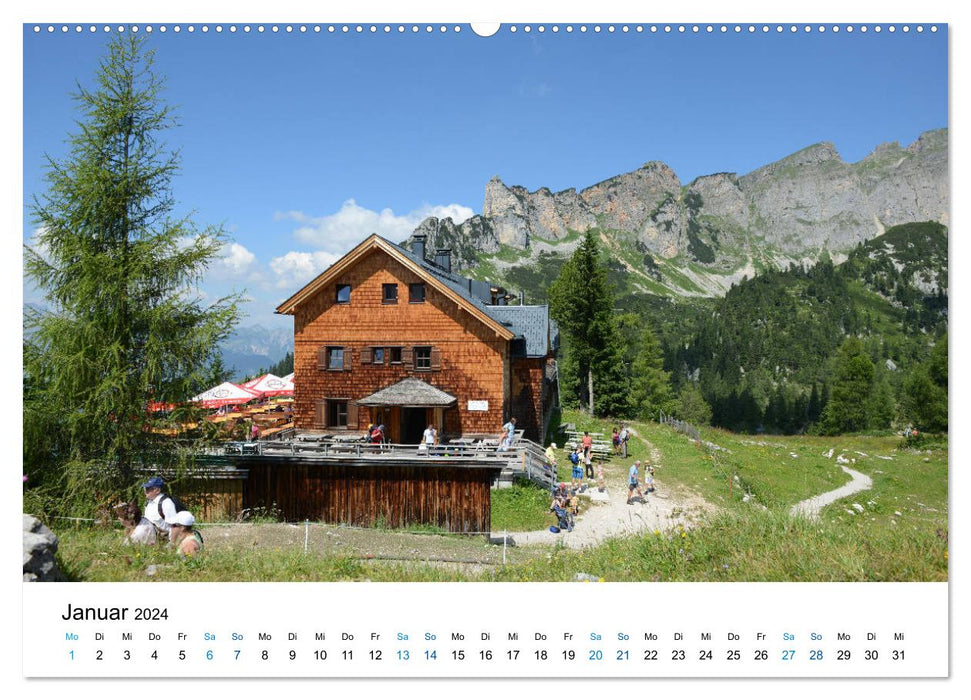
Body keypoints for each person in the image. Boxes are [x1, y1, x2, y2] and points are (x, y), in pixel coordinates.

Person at [142, 476, 178, 541]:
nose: (145, 492)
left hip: (163, 542)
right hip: (150, 542)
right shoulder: (148, 503)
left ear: (157, 490)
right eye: (145, 489)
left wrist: (171, 544)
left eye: (148, 489)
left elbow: (174, 526)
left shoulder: (166, 503)